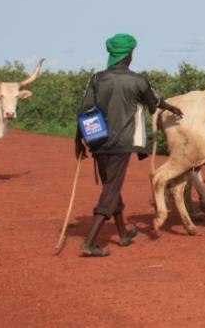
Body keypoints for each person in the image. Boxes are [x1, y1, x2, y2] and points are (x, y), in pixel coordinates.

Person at [75, 33, 183, 257]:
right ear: (129, 55)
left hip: (97, 140)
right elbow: (154, 102)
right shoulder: (138, 80)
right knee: (111, 189)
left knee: (111, 186)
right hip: (122, 142)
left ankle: (123, 234)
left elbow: (84, 111)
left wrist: (78, 141)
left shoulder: (97, 78)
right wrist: (171, 108)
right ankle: (89, 242)